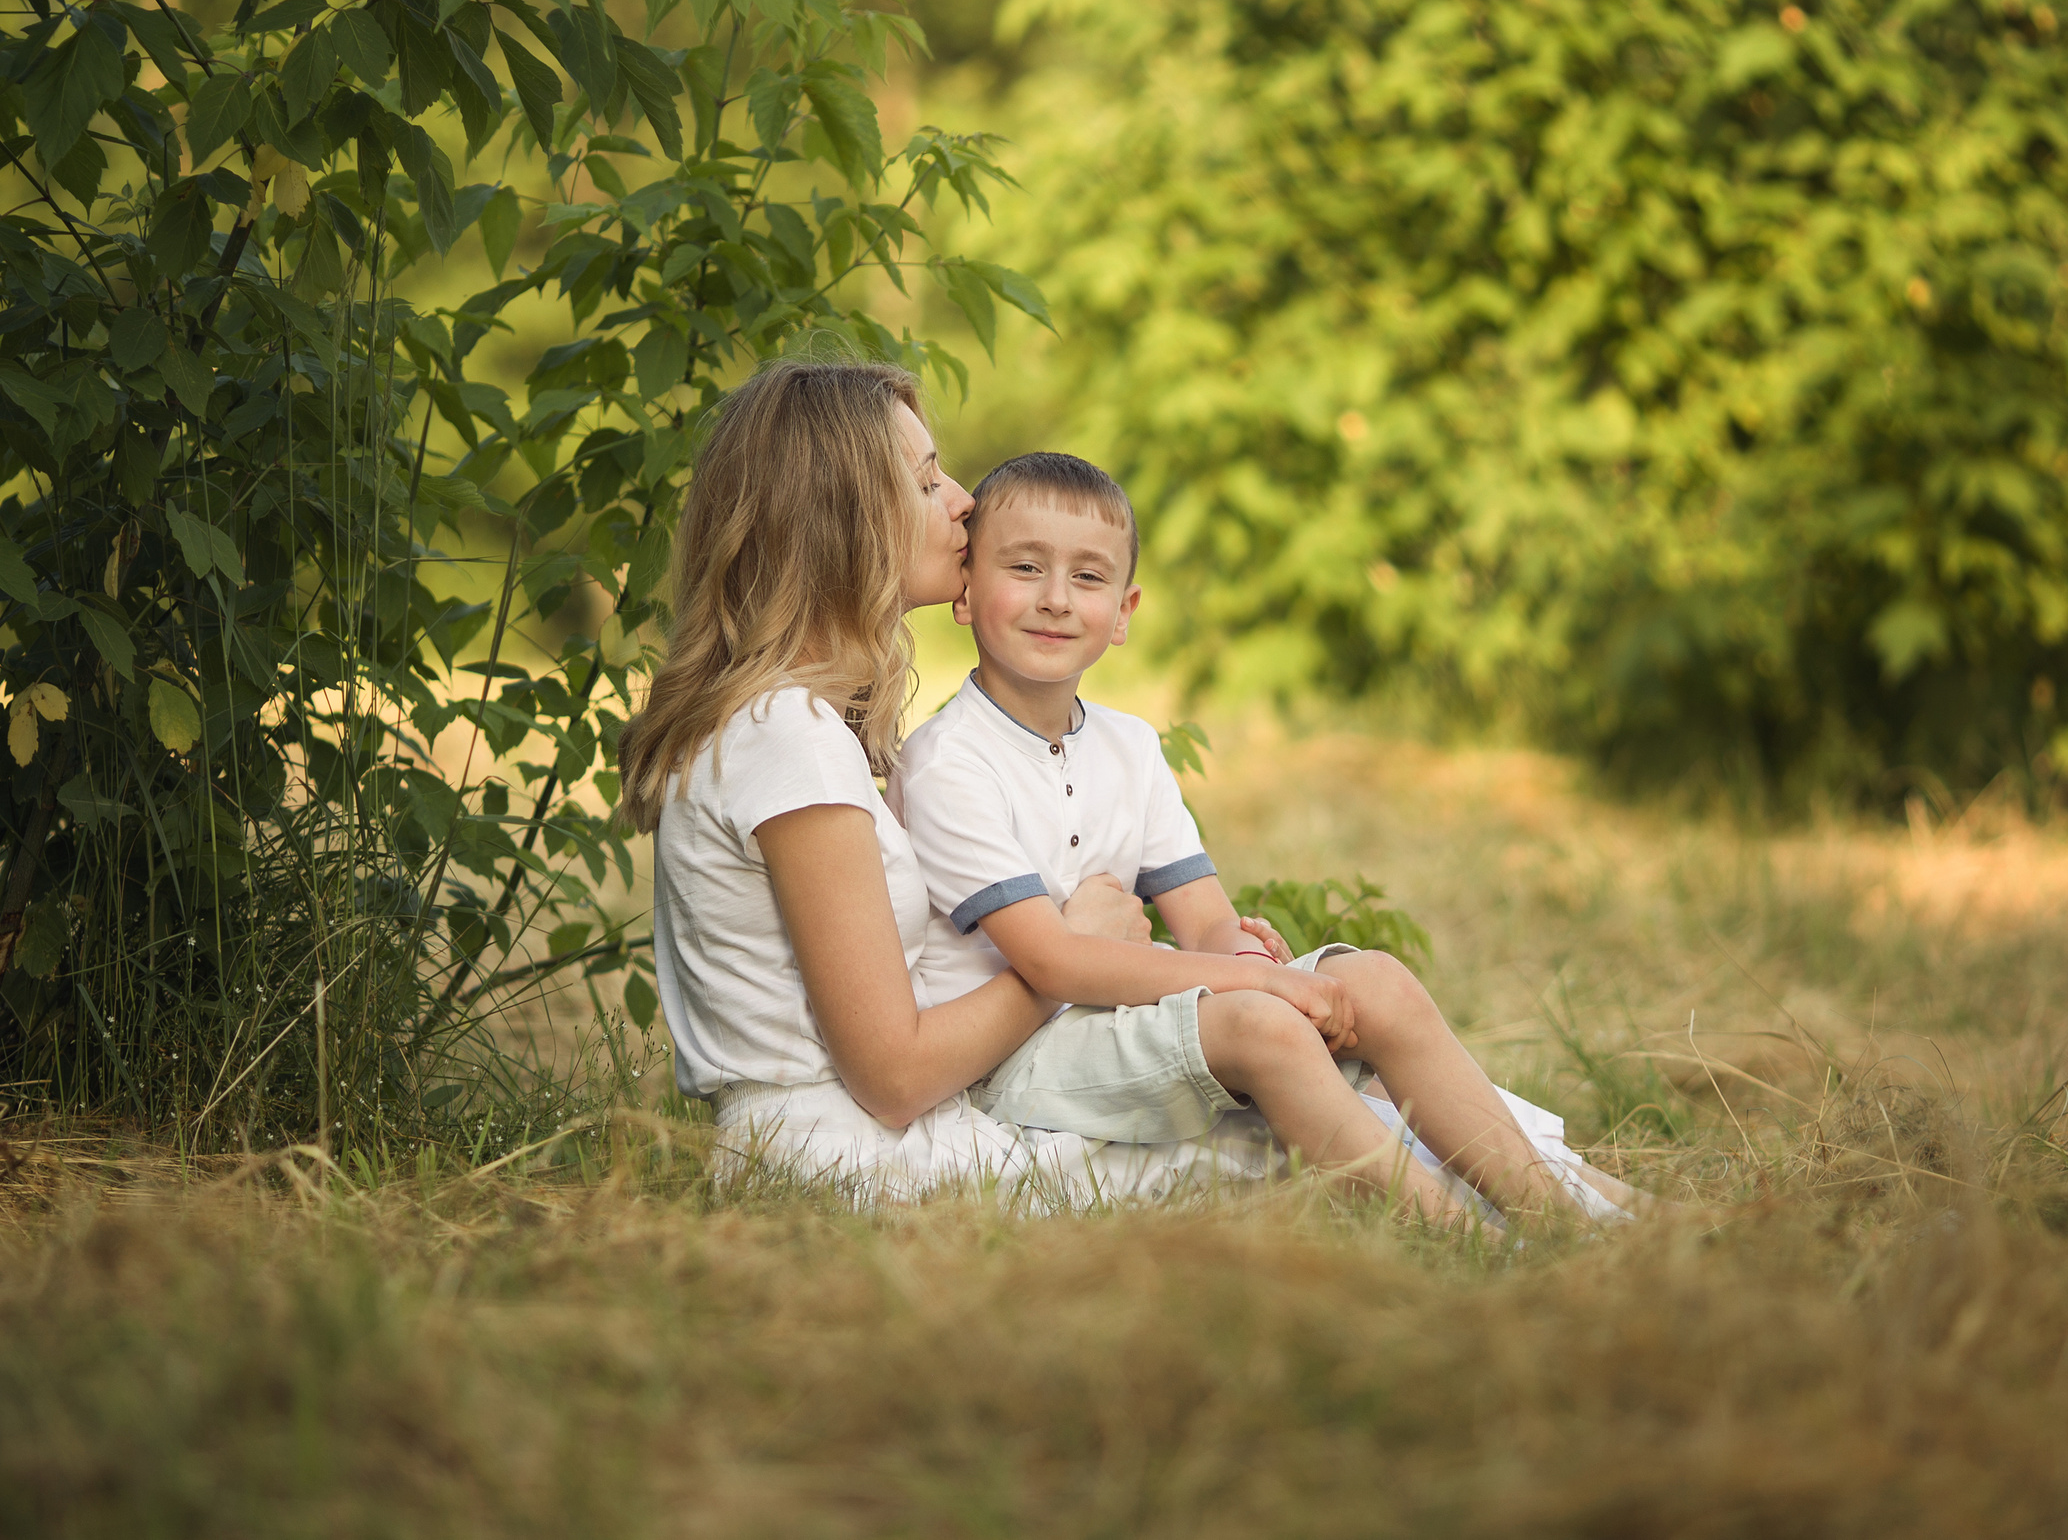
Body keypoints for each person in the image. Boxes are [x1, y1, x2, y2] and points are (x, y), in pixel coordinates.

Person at [892, 451, 1642, 1224]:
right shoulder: (949, 762)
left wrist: (1243, 952)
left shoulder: (1131, 746)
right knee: (1261, 1020)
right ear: (967, 588)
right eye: (1024, 567)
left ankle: (1555, 1210)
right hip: (1022, 1060)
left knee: (1373, 979)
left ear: (1123, 612)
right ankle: (1459, 1234)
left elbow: (1204, 918)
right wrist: (1262, 986)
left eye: (1087, 577)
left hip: (1123, 1024)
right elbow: (1051, 957)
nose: (1055, 598)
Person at [619, 359, 1284, 1208]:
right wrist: (1072, 952)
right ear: (844, 517)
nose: (963, 499)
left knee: (1277, 1105)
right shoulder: (787, 736)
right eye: (928, 479)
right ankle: (1505, 1204)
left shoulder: (788, 723)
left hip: (873, 1140)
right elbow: (895, 1074)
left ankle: (1503, 1178)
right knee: (1277, 1142)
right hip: (845, 1159)